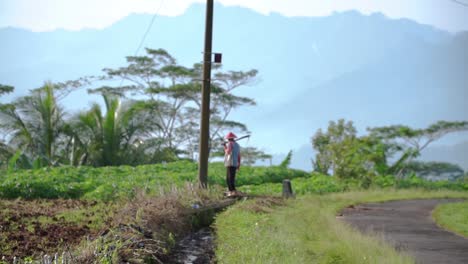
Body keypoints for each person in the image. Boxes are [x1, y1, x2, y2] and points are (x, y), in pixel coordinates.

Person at [224, 132, 241, 197]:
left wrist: (224, 146)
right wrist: (238, 164)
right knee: (232, 177)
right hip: (235, 163)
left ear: (228, 139)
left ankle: (231, 191)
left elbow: (227, 152)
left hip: (230, 163)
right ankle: (232, 190)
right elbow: (239, 155)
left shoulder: (230, 144)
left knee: (228, 178)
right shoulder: (237, 145)